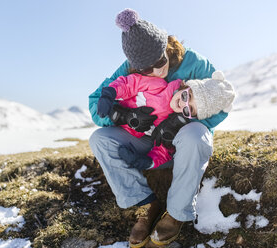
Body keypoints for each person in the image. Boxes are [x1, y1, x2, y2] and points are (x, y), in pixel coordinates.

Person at [88, 8, 229, 247]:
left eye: (160, 62)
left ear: (166, 46)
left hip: (182, 143)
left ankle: (176, 213)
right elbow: (96, 103)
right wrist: (124, 117)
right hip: (145, 141)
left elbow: (222, 102)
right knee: (100, 139)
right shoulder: (130, 66)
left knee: (195, 137)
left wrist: (180, 122)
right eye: (146, 69)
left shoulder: (194, 63)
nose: (156, 71)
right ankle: (146, 203)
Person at [96, 71, 235, 170]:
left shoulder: (175, 123)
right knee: (99, 140)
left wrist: (146, 162)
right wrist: (110, 94)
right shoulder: (158, 85)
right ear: (186, 87)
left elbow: (163, 150)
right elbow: (130, 83)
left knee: (119, 157)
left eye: (189, 109)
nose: (182, 104)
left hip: (132, 138)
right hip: (114, 115)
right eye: (186, 96)